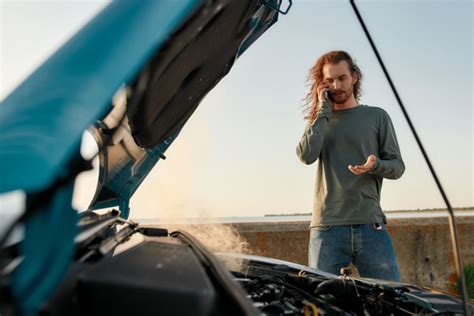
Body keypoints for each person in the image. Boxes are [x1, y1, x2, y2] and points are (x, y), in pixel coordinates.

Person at [296, 50, 405, 281]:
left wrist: (375, 165)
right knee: (321, 302)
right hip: (326, 228)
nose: (336, 85)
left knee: (391, 299)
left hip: (370, 225)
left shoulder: (377, 116)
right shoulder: (319, 120)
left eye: (342, 78)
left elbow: (397, 167)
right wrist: (323, 112)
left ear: (354, 77)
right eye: (329, 80)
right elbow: (306, 155)